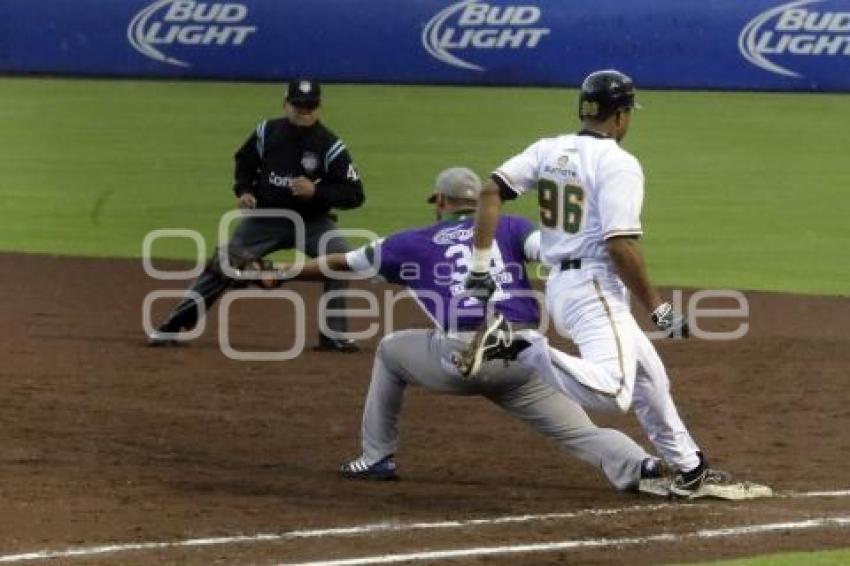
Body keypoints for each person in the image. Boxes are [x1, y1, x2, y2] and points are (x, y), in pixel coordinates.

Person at [460, 70, 771, 500]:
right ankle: (519, 345)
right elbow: (620, 244)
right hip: (593, 286)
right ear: (621, 115)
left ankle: (690, 470)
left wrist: (480, 263)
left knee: (648, 378)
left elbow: (490, 190)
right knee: (615, 392)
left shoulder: (546, 149)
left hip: (564, 285)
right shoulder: (618, 163)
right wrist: (658, 307)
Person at [266, 166, 667, 493]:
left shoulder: (409, 242)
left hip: (460, 355)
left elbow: (341, 262)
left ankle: (376, 457)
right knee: (579, 431)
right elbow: (551, 253)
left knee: (391, 350)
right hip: (521, 350)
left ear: (441, 203)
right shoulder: (510, 227)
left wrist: (286, 272)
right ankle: (639, 464)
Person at [148, 79, 364, 352]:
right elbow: (245, 162)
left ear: (319, 108)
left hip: (312, 223)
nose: (303, 111)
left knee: (342, 259)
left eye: (310, 106)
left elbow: (355, 194)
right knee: (224, 262)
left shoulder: (330, 145)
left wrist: (317, 192)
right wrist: (244, 190)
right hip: (266, 219)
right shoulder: (266, 132)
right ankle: (174, 324)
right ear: (285, 103)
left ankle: (334, 336)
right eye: (298, 104)